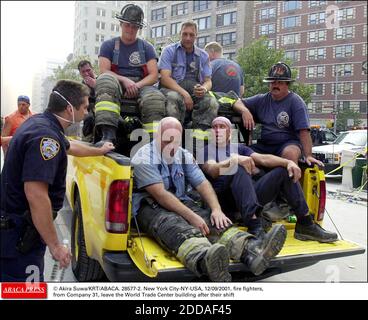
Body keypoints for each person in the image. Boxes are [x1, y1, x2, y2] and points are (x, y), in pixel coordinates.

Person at [131, 117, 287, 281]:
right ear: (157, 136)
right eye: (166, 140)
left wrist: (216, 210)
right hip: (150, 206)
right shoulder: (143, 157)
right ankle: (206, 261)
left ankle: (253, 252)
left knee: (215, 223)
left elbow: (202, 183)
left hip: (180, 200)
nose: (171, 146)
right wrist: (192, 217)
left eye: (175, 141)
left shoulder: (183, 154)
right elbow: (161, 196)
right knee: (175, 227)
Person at [0, 80, 115, 282]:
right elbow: (36, 195)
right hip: (18, 238)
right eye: (86, 107)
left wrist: (99, 151)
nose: (87, 113)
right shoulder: (46, 138)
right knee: (26, 292)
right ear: (69, 108)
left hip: (16, 233)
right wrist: (55, 246)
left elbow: (71, 146)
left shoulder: (41, 124)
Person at [199, 116, 338, 242]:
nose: (217, 130)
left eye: (222, 127)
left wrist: (287, 163)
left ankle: (305, 223)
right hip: (223, 201)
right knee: (237, 167)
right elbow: (212, 170)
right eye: (214, 127)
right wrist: (233, 161)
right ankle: (255, 227)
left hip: (247, 197)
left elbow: (263, 159)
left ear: (230, 133)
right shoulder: (205, 151)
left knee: (283, 171)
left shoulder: (240, 148)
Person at [95, 3, 166, 144]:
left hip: (141, 84)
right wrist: (125, 81)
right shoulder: (108, 46)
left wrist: (136, 85)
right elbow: (104, 70)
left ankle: (153, 143)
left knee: (155, 97)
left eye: (134, 26)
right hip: (116, 83)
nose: (130, 29)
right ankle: (108, 135)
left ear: (139, 28)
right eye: (127, 25)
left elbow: (153, 75)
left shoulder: (147, 48)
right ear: (121, 24)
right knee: (105, 81)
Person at [232, 62, 323, 166]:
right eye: (272, 82)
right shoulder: (261, 99)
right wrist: (245, 111)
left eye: (280, 82)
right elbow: (237, 102)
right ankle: (253, 180)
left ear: (287, 84)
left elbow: (304, 132)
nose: (275, 85)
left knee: (290, 153)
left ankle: (290, 180)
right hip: (264, 145)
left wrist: (308, 156)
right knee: (239, 154)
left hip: (288, 144)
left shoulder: (296, 102)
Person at [158, 21, 219, 141]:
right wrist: (185, 95)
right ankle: (173, 141)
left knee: (211, 102)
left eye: (191, 35)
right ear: (180, 34)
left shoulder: (203, 56)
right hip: (172, 88)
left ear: (196, 36)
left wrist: (204, 89)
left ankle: (198, 144)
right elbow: (165, 79)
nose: (188, 38)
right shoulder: (169, 51)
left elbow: (208, 81)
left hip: (194, 90)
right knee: (173, 99)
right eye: (185, 34)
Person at [77, 60, 97, 142]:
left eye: (88, 70)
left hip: (102, 109)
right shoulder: (80, 87)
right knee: (89, 118)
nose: (86, 74)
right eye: (83, 72)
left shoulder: (102, 80)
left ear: (92, 69)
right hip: (88, 113)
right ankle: (86, 141)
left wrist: (96, 85)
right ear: (80, 73)